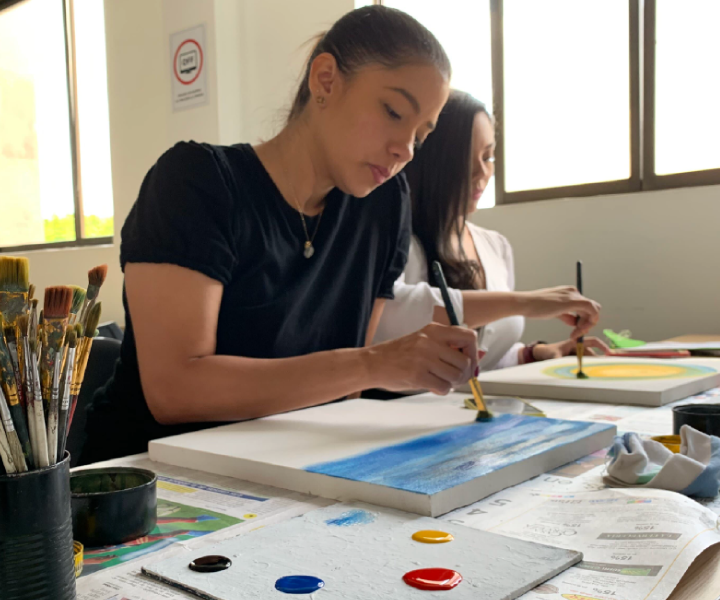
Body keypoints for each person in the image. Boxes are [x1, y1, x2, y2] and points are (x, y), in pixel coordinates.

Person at [80, 8, 599, 465]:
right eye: (394, 112)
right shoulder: (197, 181)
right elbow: (176, 389)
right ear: (325, 80)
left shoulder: (382, 207)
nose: (405, 150)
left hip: (279, 467)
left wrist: (399, 370)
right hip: (149, 481)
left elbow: (343, 386)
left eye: (422, 134)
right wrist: (377, 363)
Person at [374, 90, 608, 374]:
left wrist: (534, 353)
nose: (481, 172)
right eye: (464, 159)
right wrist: (525, 302)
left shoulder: (495, 246)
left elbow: (487, 355)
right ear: (431, 162)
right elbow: (391, 315)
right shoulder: (394, 240)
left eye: (488, 157)